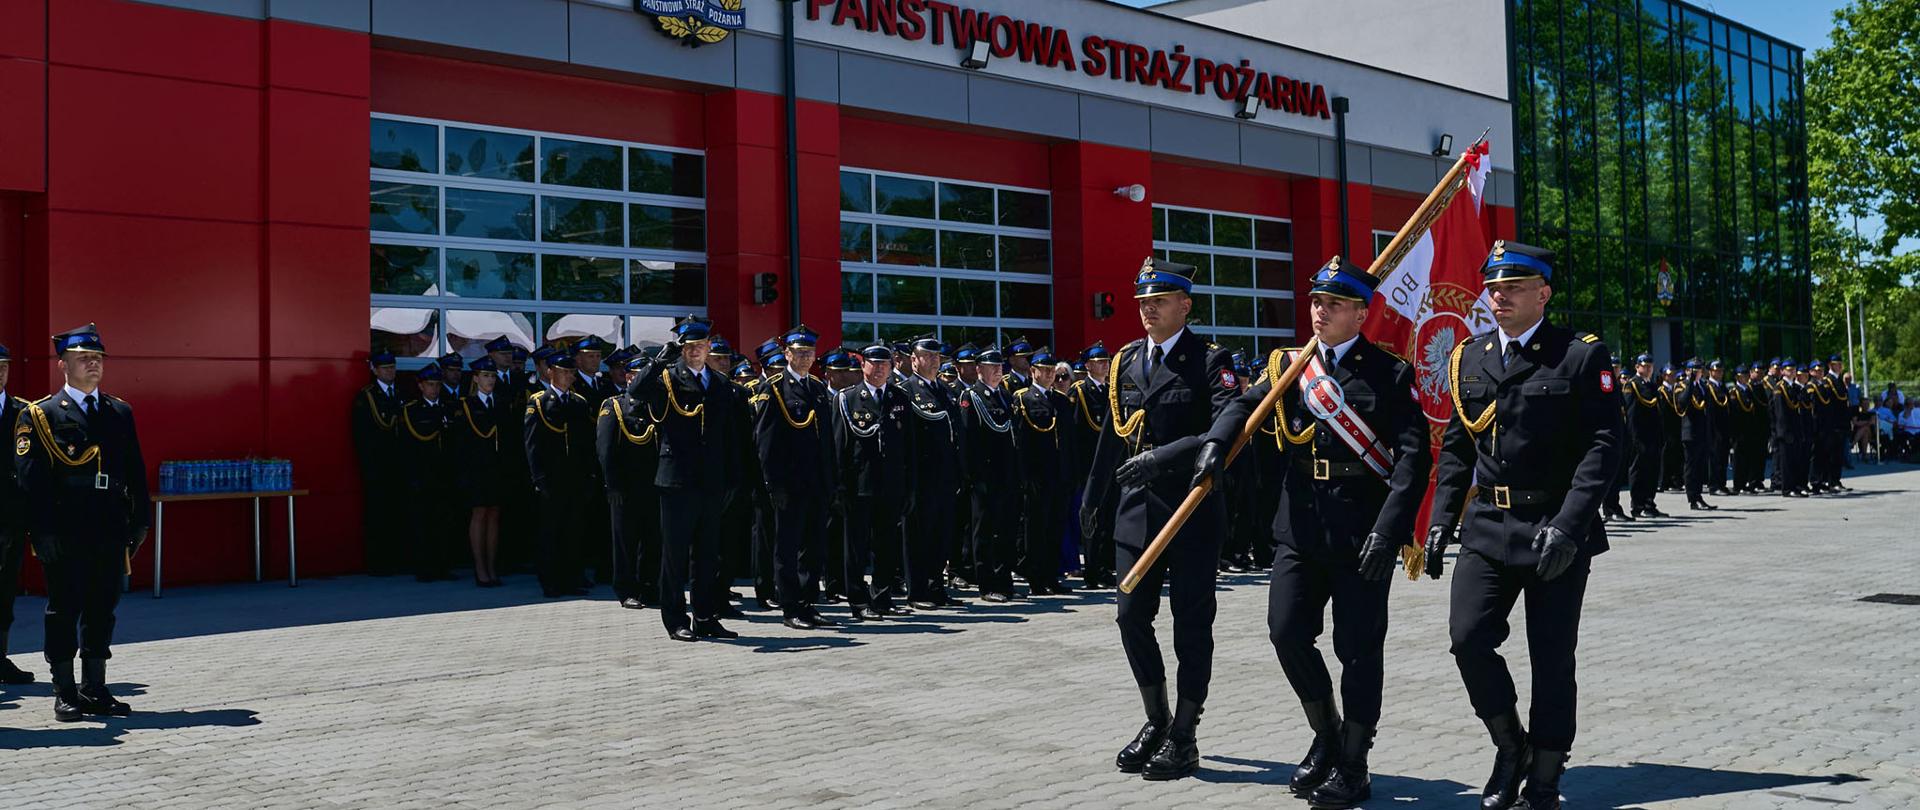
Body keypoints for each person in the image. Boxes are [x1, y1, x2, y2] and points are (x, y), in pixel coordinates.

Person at [1191, 258, 1432, 806]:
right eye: (1316, 302)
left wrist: (1390, 530)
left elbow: (1413, 460)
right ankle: (1326, 732)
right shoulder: (1292, 364)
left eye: (1334, 304)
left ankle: (1355, 760)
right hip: (1299, 524)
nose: (1320, 312)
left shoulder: (1389, 373)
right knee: (1286, 631)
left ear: (1361, 314)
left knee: (1358, 649)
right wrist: (1214, 443)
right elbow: (1245, 405)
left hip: (1361, 531)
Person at [1420, 243, 1621, 810]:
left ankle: (1547, 774)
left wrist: (1570, 525)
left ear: (1543, 293)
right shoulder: (1470, 357)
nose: (1498, 296)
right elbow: (1457, 450)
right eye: (1493, 287)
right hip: (1487, 527)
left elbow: (1604, 445)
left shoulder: (1579, 356)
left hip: (1553, 526)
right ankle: (1512, 748)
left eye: (1513, 286)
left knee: (1552, 656)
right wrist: (1440, 523)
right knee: (1468, 638)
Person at [1080, 257, 1235, 781]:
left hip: (1189, 510)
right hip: (1135, 512)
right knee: (1129, 616)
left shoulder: (1211, 360)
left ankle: (1186, 734)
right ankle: (1156, 718)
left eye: (1159, 301)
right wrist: (1093, 498)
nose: (1148, 309)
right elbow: (1112, 434)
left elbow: (1226, 430)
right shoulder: (1125, 360)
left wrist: (1164, 457)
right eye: (1143, 301)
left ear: (1184, 306)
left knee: (1191, 626)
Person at [15, 324, 152, 721]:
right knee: (64, 609)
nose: (93, 365)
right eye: (83, 359)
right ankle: (64, 690)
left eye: (98, 359)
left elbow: (134, 470)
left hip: (108, 528)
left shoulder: (118, 411)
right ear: (63, 365)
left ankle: (95, 687)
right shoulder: (41, 414)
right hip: (65, 529)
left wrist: (140, 520)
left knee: (101, 609)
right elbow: (30, 479)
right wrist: (39, 531)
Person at [627, 316, 753, 641]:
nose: (696, 351)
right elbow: (636, 391)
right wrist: (657, 361)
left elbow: (731, 437)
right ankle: (675, 619)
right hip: (677, 481)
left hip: (712, 482)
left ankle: (706, 616)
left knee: (708, 554)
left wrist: (733, 480)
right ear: (682, 349)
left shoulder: (721, 384)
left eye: (701, 345)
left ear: (709, 347)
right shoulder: (667, 377)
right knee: (675, 555)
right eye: (690, 346)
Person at [751, 325, 839, 631]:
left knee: (813, 546)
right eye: (799, 352)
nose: (805, 358)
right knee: (786, 547)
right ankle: (790, 606)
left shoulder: (817, 388)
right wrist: (773, 484)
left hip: (816, 483)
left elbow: (827, 441)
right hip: (788, 484)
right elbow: (766, 443)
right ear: (786, 353)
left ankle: (807, 602)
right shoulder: (774, 387)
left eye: (809, 353)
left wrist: (830, 481)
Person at [832, 344, 916, 620]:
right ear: (863, 366)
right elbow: (839, 447)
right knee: (856, 546)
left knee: (886, 544)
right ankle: (857, 600)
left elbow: (908, 447)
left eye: (885, 364)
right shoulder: (849, 398)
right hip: (858, 485)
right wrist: (839, 487)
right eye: (874, 363)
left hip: (890, 485)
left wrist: (908, 485)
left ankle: (882, 596)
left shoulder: (900, 398)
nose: (879, 368)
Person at [897, 334, 966, 609]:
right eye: (928, 356)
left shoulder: (945, 391)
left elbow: (956, 434)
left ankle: (937, 588)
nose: (934, 361)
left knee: (941, 535)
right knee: (918, 537)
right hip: (921, 477)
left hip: (945, 477)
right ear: (913, 360)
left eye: (937, 356)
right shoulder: (906, 390)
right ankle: (918, 591)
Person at [526, 350, 594, 597]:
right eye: (562, 372)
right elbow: (532, 445)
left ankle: (572, 577)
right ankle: (550, 580)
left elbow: (586, 444)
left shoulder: (579, 403)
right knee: (550, 532)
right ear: (549, 372)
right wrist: (539, 479)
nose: (567, 376)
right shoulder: (539, 403)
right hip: (551, 479)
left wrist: (589, 476)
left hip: (574, 478)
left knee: (573, 531)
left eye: (570, 372)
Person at [598, 351, 663, 610]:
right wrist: (611, 484)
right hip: (625, 487)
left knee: (652, 540)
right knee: (625, 541)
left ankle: (649, 587)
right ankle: (626, 589)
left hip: (653, 485)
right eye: (637, 375)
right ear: (628, 378)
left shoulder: (655, 406)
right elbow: (605, 449)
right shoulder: (613, 405)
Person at [961, 346, 1023, 604]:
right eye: (992, 367)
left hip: (1006, 475)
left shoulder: (1005, 397)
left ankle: (1004, 580)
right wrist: (972, 477)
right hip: (984, 476)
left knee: (1005, 530)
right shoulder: (972, 397)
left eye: (1000, 366)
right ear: (979, 370)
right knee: (984, 532)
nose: (998, 371)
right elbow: (967, 440)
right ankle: (987, 583)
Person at [1013, 349, 1072, 596]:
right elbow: (1020, 442)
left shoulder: (1060, 400)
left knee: (1055, 526)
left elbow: (1070, 442)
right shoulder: (1024, 399)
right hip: (1037, 475)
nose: (1048, 375)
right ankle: (1036, 579)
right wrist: (1024, 476)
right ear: (1033, 372)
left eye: (1051, 370)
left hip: (1058, 475)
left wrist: (1072, 473)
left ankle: (1051, 575)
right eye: (1043, 370)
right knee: (1035, 529)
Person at [398, 363, 459, 581]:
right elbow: (408, 446)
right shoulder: (412, 410)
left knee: (444, 523)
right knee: (423, 524)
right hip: (422, 476)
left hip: (444, 475)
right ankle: (424, 568)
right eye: (430, 385)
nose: (434, 389)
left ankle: (443, 566)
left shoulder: (448, 407)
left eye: (437, 385)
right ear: (421, 386)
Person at [453, 356, 510, 587]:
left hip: (496, 469)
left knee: (494, 514)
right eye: (485, 376)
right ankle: (480, 568)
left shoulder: (501, 403)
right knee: (479, 514)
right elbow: (459, 445)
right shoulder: (466, 405)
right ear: (475, 378)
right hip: (476, 470)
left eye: (493, 376)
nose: (490, 380)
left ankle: (492, 566)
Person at [351, 351, 405, 575]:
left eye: (392, 367)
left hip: (399, 464)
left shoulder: (401, 392)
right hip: (378, 466)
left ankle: (397, 559)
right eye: (384, 368)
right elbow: (364, 434)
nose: (390, 372)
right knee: (378, 515)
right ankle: (379, 563)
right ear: (374, 370)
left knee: (397, 513)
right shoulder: (367, 397)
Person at [1068, 342, 1115, 589]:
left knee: (1108, 519)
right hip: (1089, 467)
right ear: (1087, 366)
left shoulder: (1110, 390)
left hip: (1109, 465)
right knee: (1091, 520)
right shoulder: (1080, 391)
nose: (1104, 365)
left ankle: (1105, 567)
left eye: (1106, 361)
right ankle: (1093, 572)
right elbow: (1075, 435)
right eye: (1098, 362)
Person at [0, 344, 31, 684]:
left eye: (3, 367)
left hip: (9, 518)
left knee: (5, 592)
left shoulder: (24, 412)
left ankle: (1, 658)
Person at [1622, 354, 1667, 517]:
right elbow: (1631, 413)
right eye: (1644, 365)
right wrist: (1633, 437)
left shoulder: (1652, 385)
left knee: (1652, 470)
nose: (1648, 368)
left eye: (1650, 366)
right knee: (1638, 470)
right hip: (1639, 435)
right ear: (1637, 367)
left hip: (1652, 435)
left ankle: (1649, 502)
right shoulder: (1632, 384)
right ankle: (1637, 505)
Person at [1677, 360, 1718, 511]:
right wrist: (1690, 382)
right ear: (1687, 371)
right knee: (1691, 467)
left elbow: (1709, 411)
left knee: (1701, 466)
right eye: (1694, 370)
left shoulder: (1704, 387)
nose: (1698, 373)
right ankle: (1693, 498)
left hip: (1702, 432)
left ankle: (1699, 495)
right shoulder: (1682, 385)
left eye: (1699, 370)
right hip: (1690, 433)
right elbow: (1682, 402)